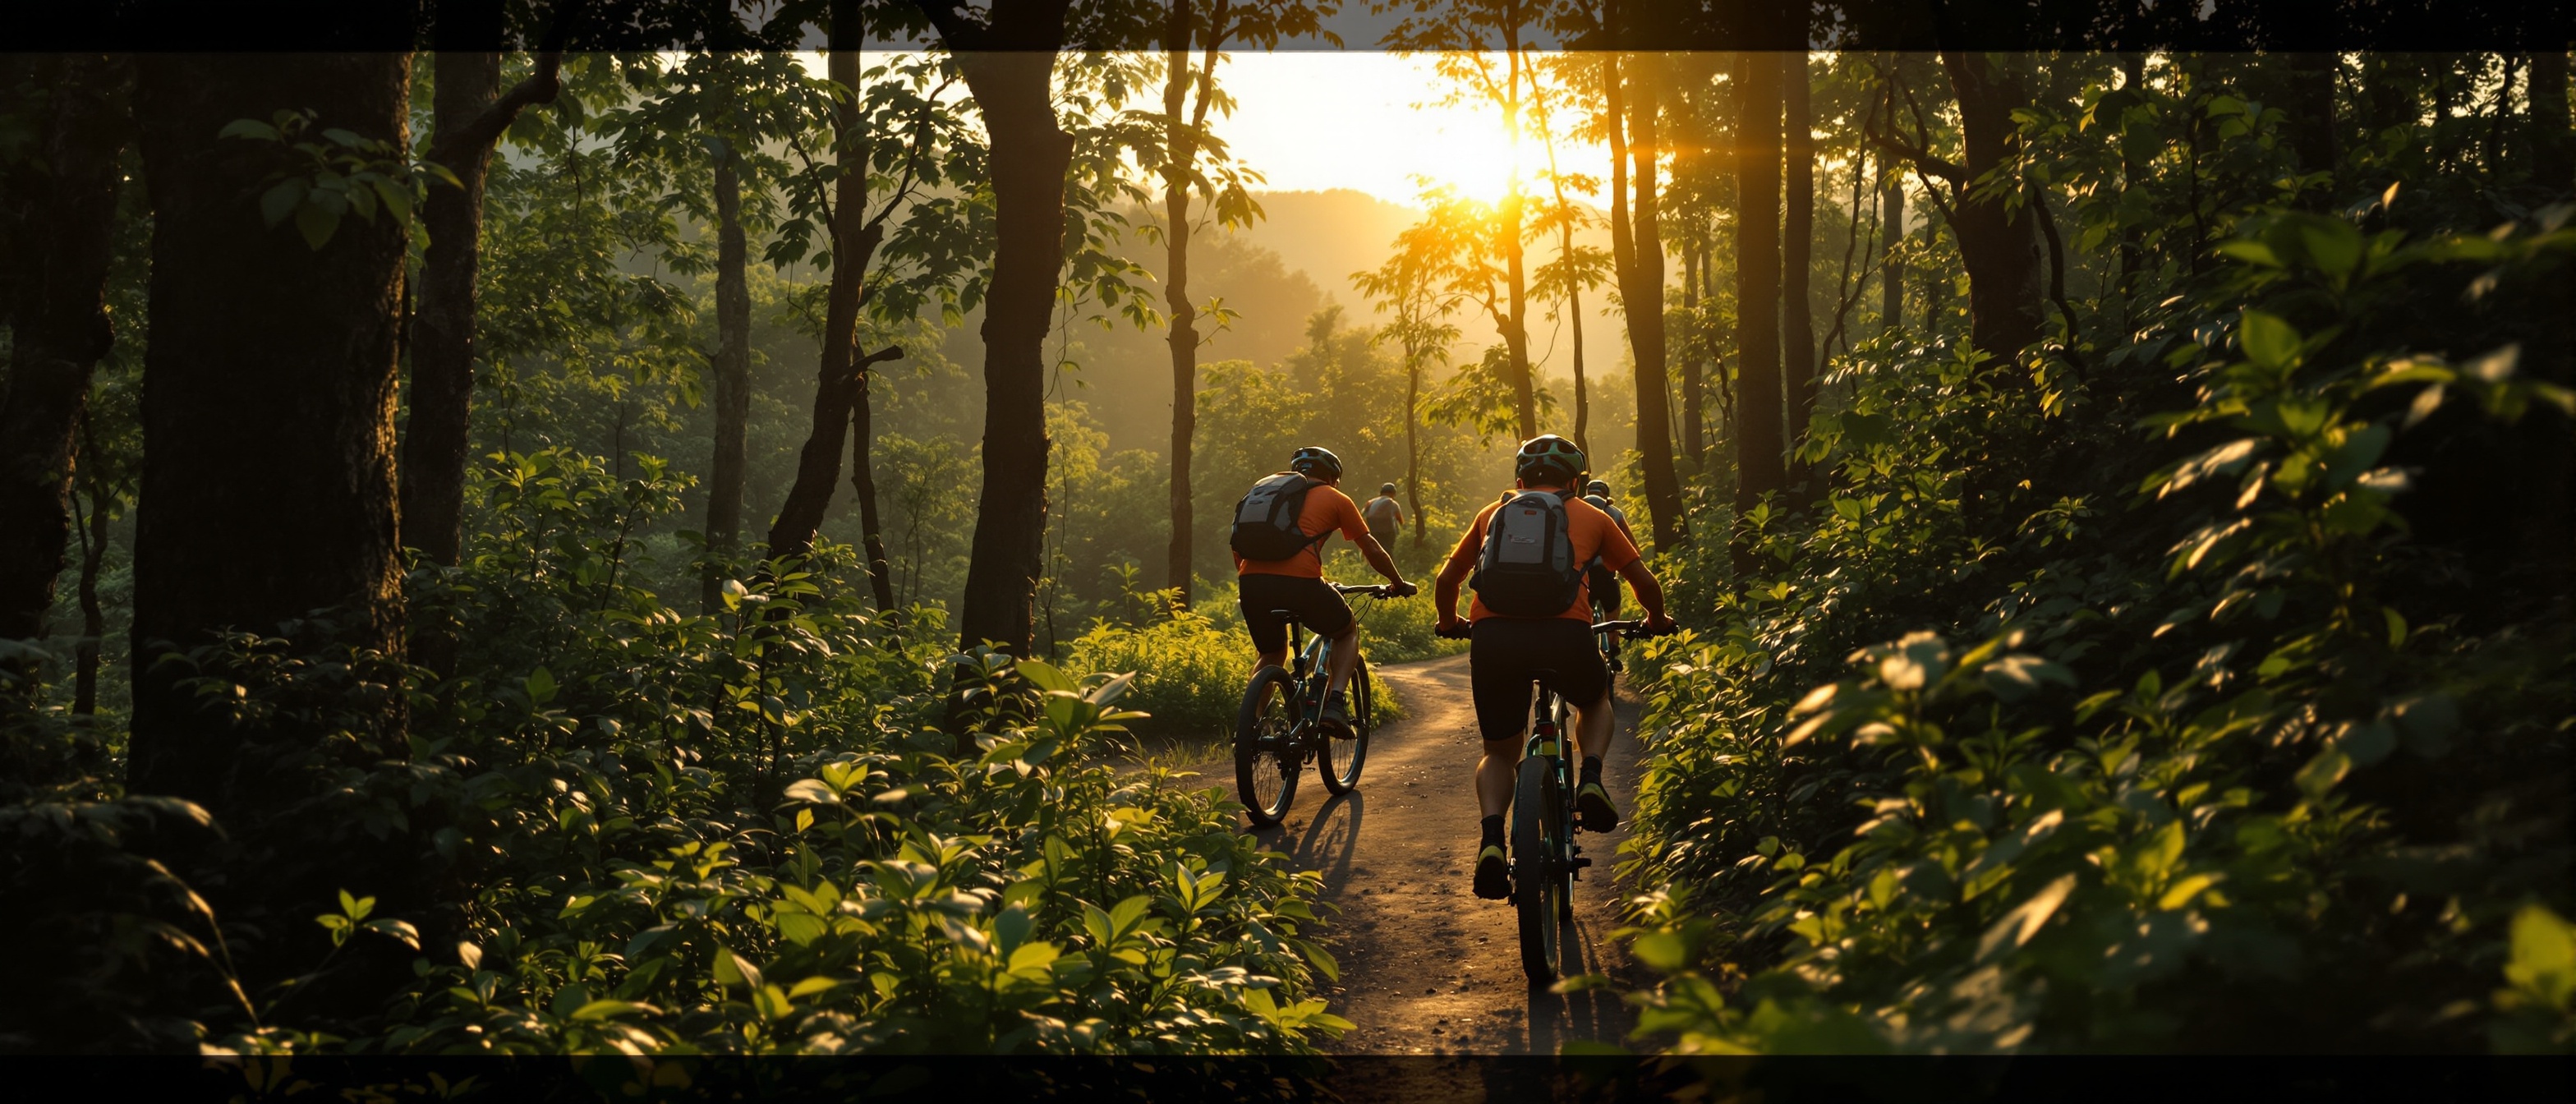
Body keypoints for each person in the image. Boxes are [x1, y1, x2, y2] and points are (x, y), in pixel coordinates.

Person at [1434, 435, 1674, 900]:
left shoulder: (1491, 515)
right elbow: (1642, 581)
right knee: (1594, 699)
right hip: (1565, 636)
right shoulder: (1594, 515)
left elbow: (1448, 579)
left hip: (1494, 639)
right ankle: (1590, 779)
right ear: (1576, 481)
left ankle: (1490, 842)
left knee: (1499, 752)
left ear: (1519, 480)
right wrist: (1657, 619)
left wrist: (1450, 622)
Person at [1235, 446, 1415, 730]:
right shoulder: (1335, 497)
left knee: (1271, 653)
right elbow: (1371, 549)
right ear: (1333, 477)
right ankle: (1334, 704)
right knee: (1345, 631)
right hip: (1302, 583)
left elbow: (1238, 543)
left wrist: (1260, 581)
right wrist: (1397, 582)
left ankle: (1251, 726)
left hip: (1251, 583)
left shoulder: (1266, 496)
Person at [1579, 480, 1640, 623]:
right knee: (1612, 618)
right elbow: (1633, 547)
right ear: (1606, 495)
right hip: (1607, 573)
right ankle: (1613, 643)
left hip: (1583, 576)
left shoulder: (1575, 511)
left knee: (1585, 621)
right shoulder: (1615, 513)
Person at [1363, 482, 1406, 550]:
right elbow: (1401, 521)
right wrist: (1405, 532)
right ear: (1393, 493)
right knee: (1389, 550)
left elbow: (1362, 515)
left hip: (1374, 531)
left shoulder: (1371, 502)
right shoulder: (1393, 504)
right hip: (1388, 533)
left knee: (1376, 549)